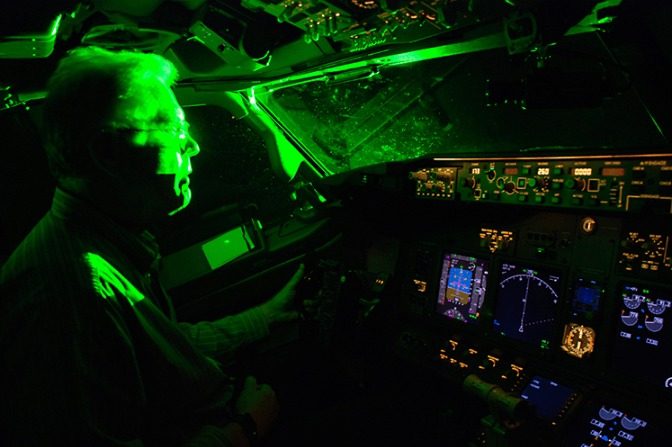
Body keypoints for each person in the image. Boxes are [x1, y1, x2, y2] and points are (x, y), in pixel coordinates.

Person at [0, 46, 303, 446]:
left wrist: (266, 316)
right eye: (176, 129)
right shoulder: (72, 290)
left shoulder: (102, 242)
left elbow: (158, 350)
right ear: (106, 153)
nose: (192, 146)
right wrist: (246, 428)